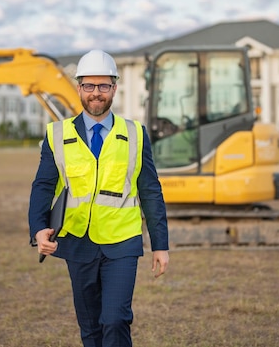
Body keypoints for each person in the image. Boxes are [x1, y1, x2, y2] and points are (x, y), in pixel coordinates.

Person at [28, 49, 169, 347]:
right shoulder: (56, 134)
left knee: (116, 319)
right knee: (90, 327)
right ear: (79, 88)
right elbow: (43, 186)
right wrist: (38, 229)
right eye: (89, 86)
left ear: (114, 89)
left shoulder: (136, 134)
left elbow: (151, 193)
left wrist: (160, 245)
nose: (96, 93)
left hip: (122, 241)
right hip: (77, 241)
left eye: (103, 86)